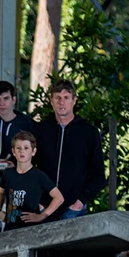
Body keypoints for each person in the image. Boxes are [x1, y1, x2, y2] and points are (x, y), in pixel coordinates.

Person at [32, 79, 106, 220]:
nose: (62, 102)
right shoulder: (40, 130)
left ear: (74, 100)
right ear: (51, 100)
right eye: (57, 98)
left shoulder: (88, 132)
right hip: (44, 207)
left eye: (66, 98)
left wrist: (80, 202)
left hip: (73, 209)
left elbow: (98, 174)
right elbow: (28, 167)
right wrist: (38, 200)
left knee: (70, 243)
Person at [0, 131, 64, 230]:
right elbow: (0, 192)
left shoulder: (39, 176)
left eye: (26, 148)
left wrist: (42, 216)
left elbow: (59, 198)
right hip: (10, 228)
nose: (22, 151)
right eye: (18, 148)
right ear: (13, 152)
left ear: (33, 151)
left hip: (31, 229)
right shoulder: (8, 173)